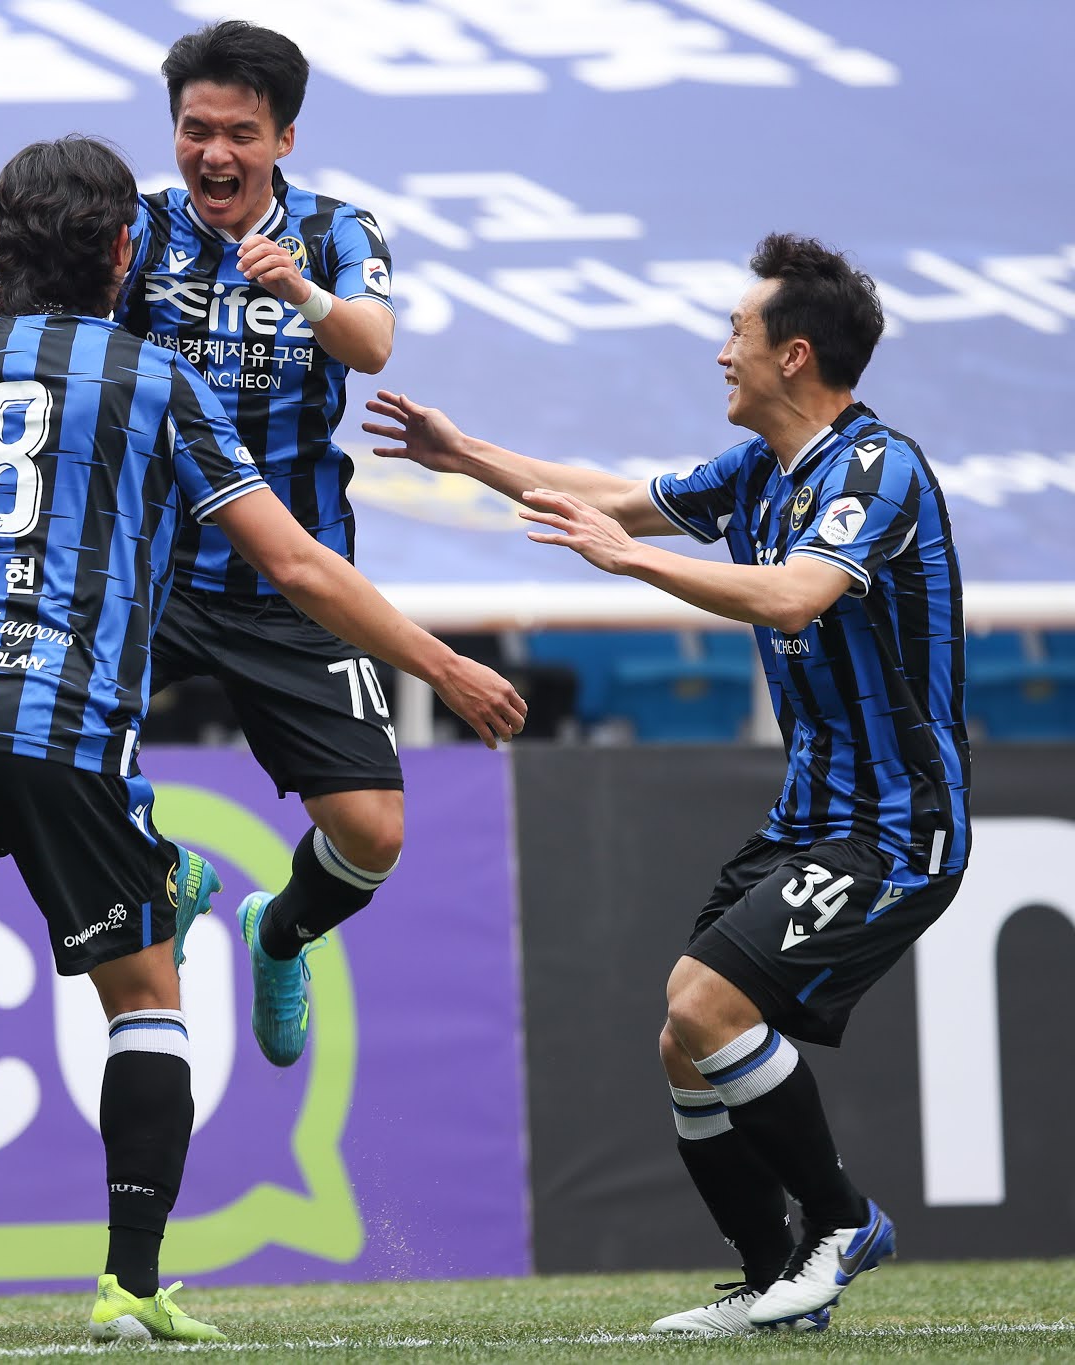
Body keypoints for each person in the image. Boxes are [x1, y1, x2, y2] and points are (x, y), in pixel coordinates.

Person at [0, 135, 523, 1346]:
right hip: (61, 730)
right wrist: (446, 662)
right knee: (144, 997)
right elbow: (295, 562)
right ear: (122, 253)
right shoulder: (149, 379)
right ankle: (129, 1286)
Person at [364, 233, 968, 1335]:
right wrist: (461, 456)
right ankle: (773, 1280)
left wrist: (624, 558)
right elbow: (606, 496)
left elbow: (790, 598)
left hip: (895, 825)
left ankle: (839, 1224)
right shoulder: (758, 471)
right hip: (809, 817)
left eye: (732, 334)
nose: (717, 353)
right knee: (685, 1037)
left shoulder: (875, 470)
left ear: (792, 356)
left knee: (702, 1003)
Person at [0, 21, 416, 1072]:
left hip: (287, 580)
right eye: (193, 130)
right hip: (146, 577)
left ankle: (278, 932)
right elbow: (46, 290)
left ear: (284, 139)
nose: (212, 155)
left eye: (238, 135)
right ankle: (160, 870)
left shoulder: (337, 231)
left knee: (373, 832)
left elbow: (372, 341)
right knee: (47, 741)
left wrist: (295, 291)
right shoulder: (145, 232)